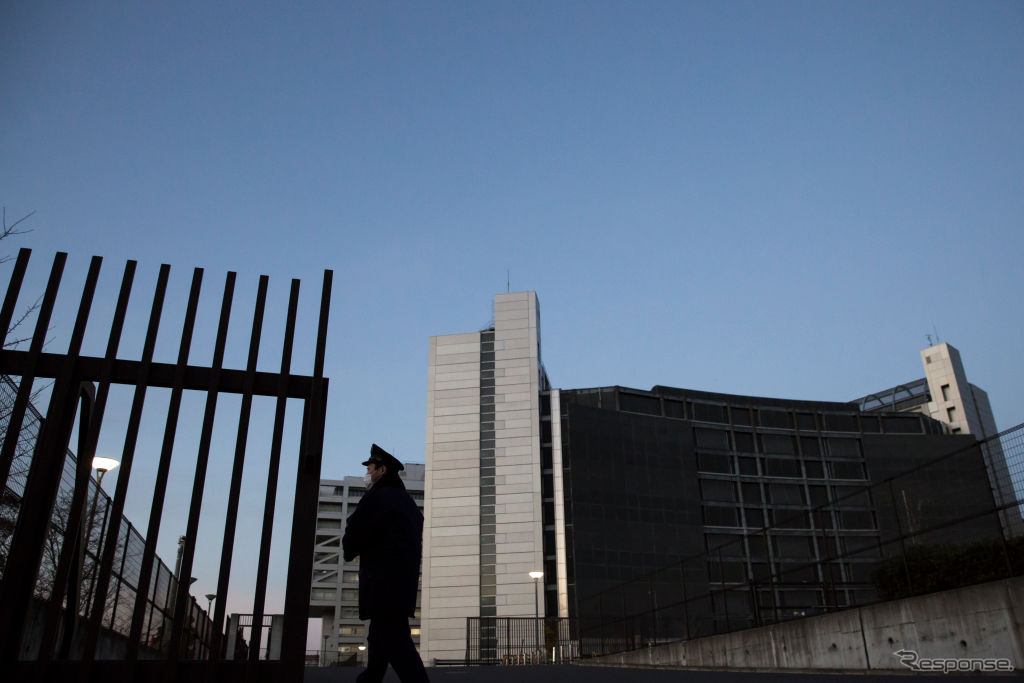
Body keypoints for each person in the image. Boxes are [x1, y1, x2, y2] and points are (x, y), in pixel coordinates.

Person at [343, 444, 429, 683]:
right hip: (400, 587)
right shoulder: (407, 503)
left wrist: (349, 549)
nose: (368, 473)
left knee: (399, 647)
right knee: (379, 650)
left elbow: (355, 532)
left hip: (382, 586)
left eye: (370, 468)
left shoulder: (378, 497)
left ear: (381, 469)